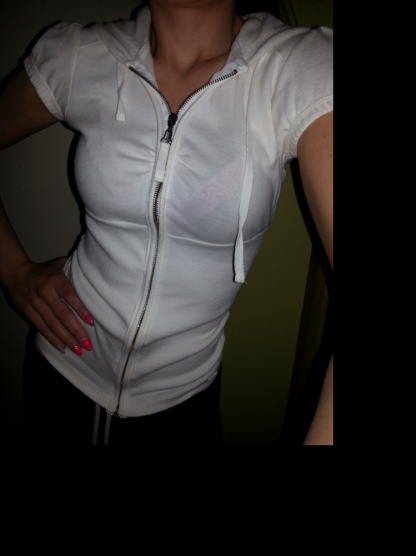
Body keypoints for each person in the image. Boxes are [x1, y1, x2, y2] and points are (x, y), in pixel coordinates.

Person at [0, 0, 333, 445]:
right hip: (60, 372)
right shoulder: (80, 54)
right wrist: (15, 273)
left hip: (183, 404)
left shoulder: (301, 68)